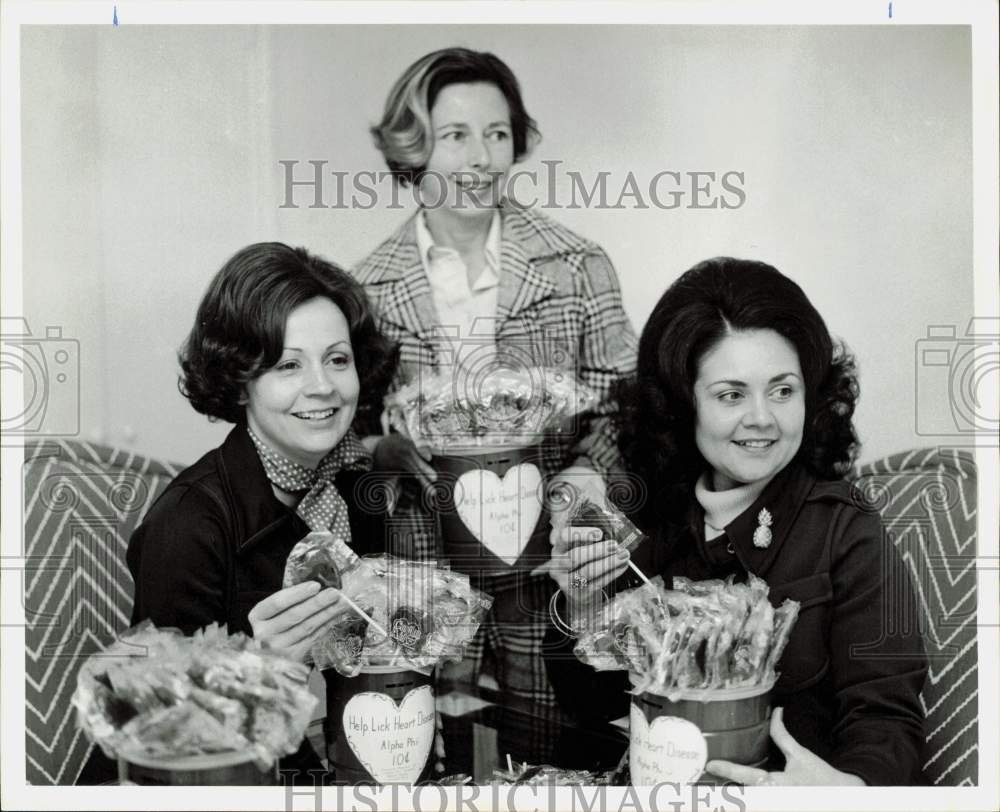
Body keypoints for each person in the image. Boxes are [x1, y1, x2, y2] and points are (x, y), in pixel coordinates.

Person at [543, 257, 927, 785]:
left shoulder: (846, 527)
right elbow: (591, 708)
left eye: (782, 390)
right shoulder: (646, 520)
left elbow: (887, 721)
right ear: (683, 405)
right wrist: (582, 605)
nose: (762, 418)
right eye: (731, 394)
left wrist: (850, 788)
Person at [354, 47, 638, 707]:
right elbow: (341, 429)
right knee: (428, 748)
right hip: (418, 571)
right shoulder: (364, 287)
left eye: (497, 134)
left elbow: (627, 404)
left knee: (554, 746)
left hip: (551, 565)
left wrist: (593, 469)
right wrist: (379, 452)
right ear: (414, 147)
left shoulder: (577, 265)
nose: (479, 158)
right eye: (455, 136)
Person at [110, 242, 396, 781]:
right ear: (240, 380)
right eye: (288, 364)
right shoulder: (188, 523)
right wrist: (259, 672)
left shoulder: (357, 491)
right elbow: (156, 732)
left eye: (338, 359)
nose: (323, 386)